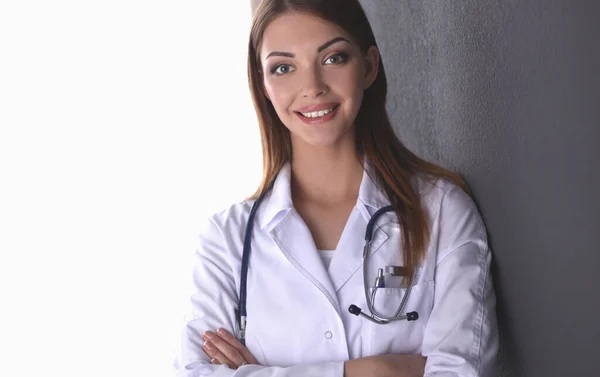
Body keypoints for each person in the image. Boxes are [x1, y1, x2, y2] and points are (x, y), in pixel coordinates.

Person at [175, 0, 499, 376]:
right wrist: (377, 370)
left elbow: (461, 372)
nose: (311, 87)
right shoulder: (227, 240)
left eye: (333, 58)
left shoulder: (442, 212)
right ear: (263, 85)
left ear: (369, 66)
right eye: (283, 68)